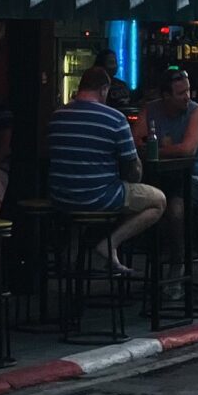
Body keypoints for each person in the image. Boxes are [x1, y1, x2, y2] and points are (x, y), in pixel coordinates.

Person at [47, 68, 164, 274]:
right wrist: (133, 177)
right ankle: (110, 245)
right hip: (98, 198)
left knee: (81, 192)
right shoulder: (115, 119)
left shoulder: (57, 116)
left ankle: (72, 256)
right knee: (158, 200)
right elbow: (133, 168)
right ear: (103, 89)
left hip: (61, 198)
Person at [145, 66, 198, 275]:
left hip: (197, 178)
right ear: (166, 96)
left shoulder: (196, 111)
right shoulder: (151, 109)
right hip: (162, 178)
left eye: (188, 91)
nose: (187, 97)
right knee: (142, 201)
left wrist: (155, 149)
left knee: (175, 207)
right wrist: (167, 150)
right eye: (181, 93)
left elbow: (188, 149)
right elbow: (134, 142)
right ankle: (131, 265)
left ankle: (177, 266)